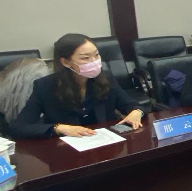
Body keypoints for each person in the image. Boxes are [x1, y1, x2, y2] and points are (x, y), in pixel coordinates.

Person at [9, 34, 146, 139]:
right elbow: (19, 127)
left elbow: (133, 105)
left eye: (96, 55)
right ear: (66, 62)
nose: (94, 61)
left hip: (105, 143)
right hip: (66, 150)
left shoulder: (106, 78)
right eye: (85, 58)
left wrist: (136, 112)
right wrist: (58, 128)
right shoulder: (45, 86)